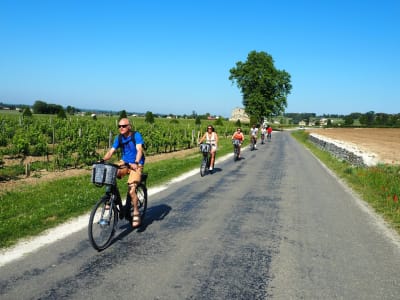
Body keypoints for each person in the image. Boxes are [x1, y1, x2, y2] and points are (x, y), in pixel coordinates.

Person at [102, 118, 145, 228]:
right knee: (110, 172)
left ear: (129, 126)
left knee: (131, 190)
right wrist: (102, 160)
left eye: (124, 126)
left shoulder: (136, 136)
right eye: (119, 126)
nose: (121, 128)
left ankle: (136, 212)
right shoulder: (119, 138)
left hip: (136, 164)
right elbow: (111, 151)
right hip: (125, 162)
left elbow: (139, 150)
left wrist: (136, 162)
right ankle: (109, 197)